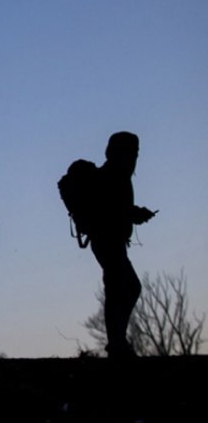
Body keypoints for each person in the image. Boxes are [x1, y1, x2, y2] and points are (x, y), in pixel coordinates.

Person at [90, 131, 156, 358]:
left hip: (111, 240)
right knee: (122, 287)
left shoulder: (115, 174)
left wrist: (133, 214)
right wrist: (135, 214)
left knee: (122, 287)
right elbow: (112, 209)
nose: (135, 157)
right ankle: (116, 343)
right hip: (107, 240)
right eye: (132, 152)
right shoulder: (113, 175)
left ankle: (117, 341)